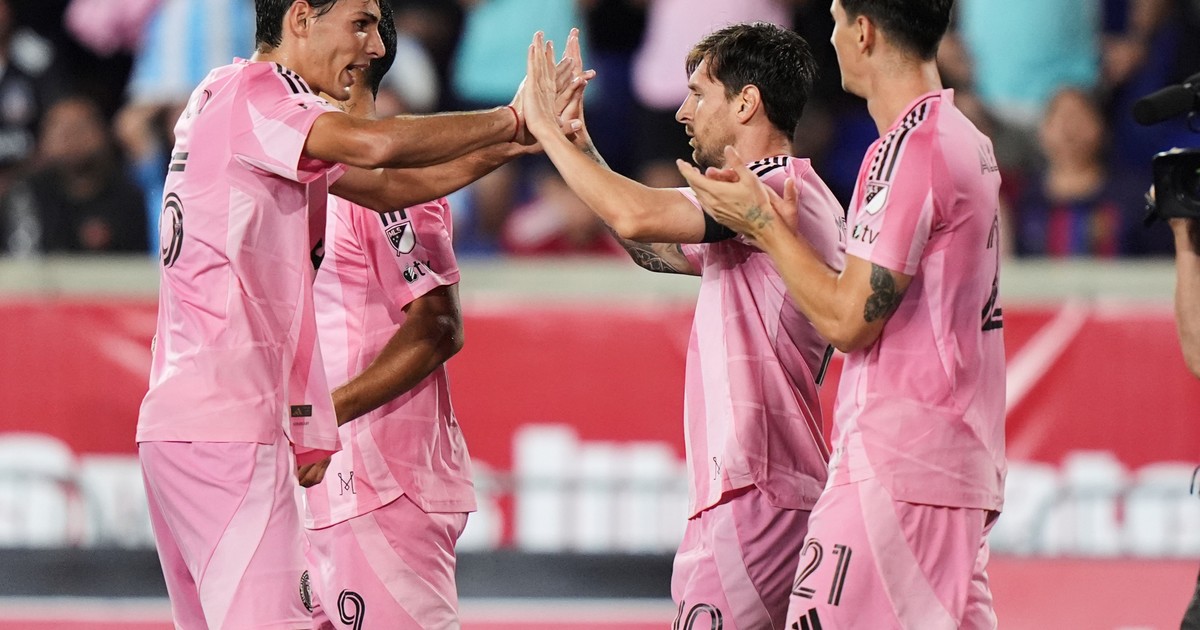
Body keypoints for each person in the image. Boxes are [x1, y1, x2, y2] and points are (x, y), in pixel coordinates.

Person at [135, 1, 578, 627]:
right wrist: (512, 116)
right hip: (238, 426)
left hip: (181, 422)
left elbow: (388, 188)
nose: (376, 47)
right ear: (301, 18)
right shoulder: (264, 97)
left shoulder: (223, 94)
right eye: (360, 24)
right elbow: (376, 147)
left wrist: (513, 142)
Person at [677, 0, 1006, 627]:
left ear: (862, 30)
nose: (829, 39)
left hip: (898, 465)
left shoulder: (908, 149)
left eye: (833, 21)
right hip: (955, 463)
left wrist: (763, 225)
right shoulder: (967, 140)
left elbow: (849, 321)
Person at [522, 24, 845, 629]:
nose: (681, 111)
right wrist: (578, 144)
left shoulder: (772, 192)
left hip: (756, 491)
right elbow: (652, 247)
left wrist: (545, 130)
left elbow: (635, 215)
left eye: (698, 93)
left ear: (745, 103)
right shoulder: (774, 196)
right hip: (760, 490)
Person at [300, 10, 583, 629]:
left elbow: (437, 326)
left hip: (380, 485)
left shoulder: (396, 182)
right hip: (319, 484)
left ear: (355, 61)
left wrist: (324, 414)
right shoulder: (318, 175)